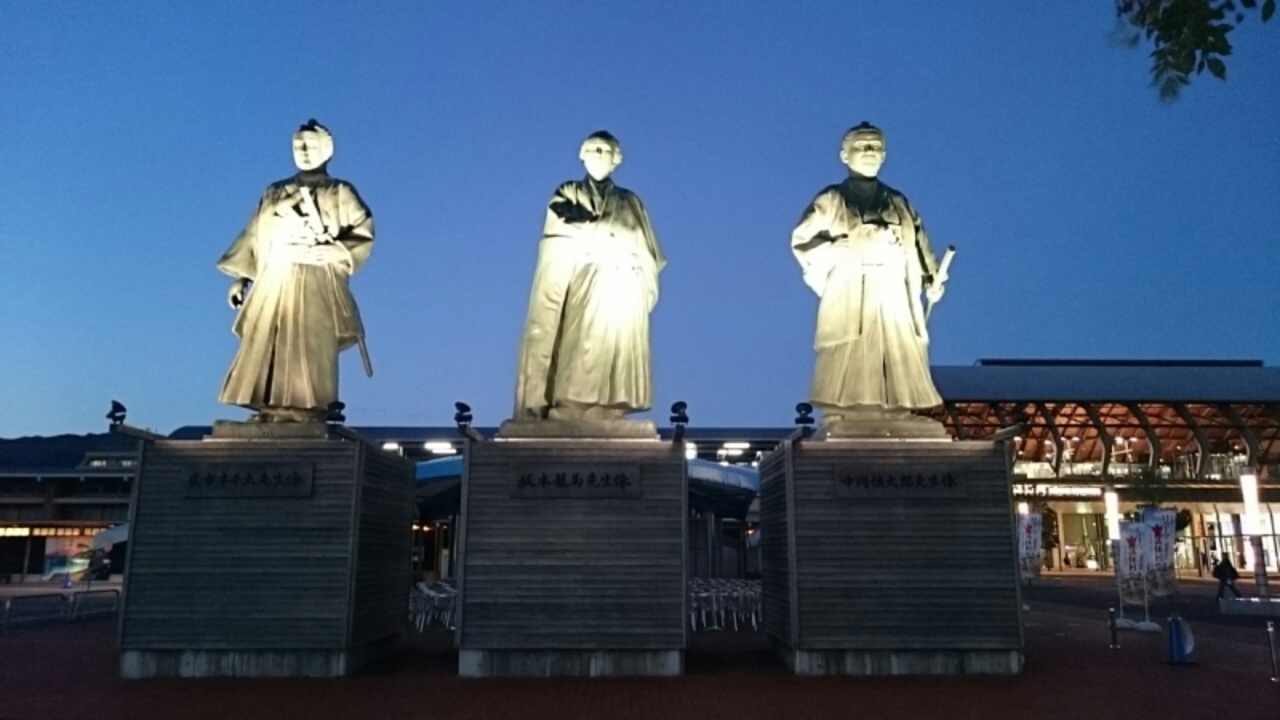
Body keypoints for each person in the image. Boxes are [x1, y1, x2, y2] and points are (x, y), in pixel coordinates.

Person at [217, 120, 375, 422]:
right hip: (276, 276)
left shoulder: (339, 191)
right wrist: (243, 277)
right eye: (298, 145)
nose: (303, 150)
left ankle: (307, 409)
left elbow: (362, 230)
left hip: (316, 275)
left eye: (310, 145)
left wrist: (338, 251)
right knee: (269, 341)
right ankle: (269, 408)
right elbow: (254, 235)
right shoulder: (275, 191)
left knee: (311, 345)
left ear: (327, 150)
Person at [790, 122, 947, 428]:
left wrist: (931, 277)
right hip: (852, 289)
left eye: (875, 147)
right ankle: (846, 408)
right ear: (844, 155)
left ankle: (898, 409)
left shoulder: (899, 201)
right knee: (852, 347)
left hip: (894, 290)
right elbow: (802, 240)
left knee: (896, 348)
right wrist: (838, 248)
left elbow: (920, 244)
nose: (869, 152)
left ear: (885, 154)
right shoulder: (833, 199)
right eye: (861, 147)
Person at [511, 131, 665, 423]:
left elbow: (648, 249)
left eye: (603, 149)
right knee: (583, 342)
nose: (597, 154)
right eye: (592, 149)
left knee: (617, 349)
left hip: (624, 283)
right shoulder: (569, 191)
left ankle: (611, 407)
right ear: (582, 155)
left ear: (616, 158)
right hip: (588, 278)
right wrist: (600, 232)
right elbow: (561, 225)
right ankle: (572, 403)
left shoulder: (630, 201)